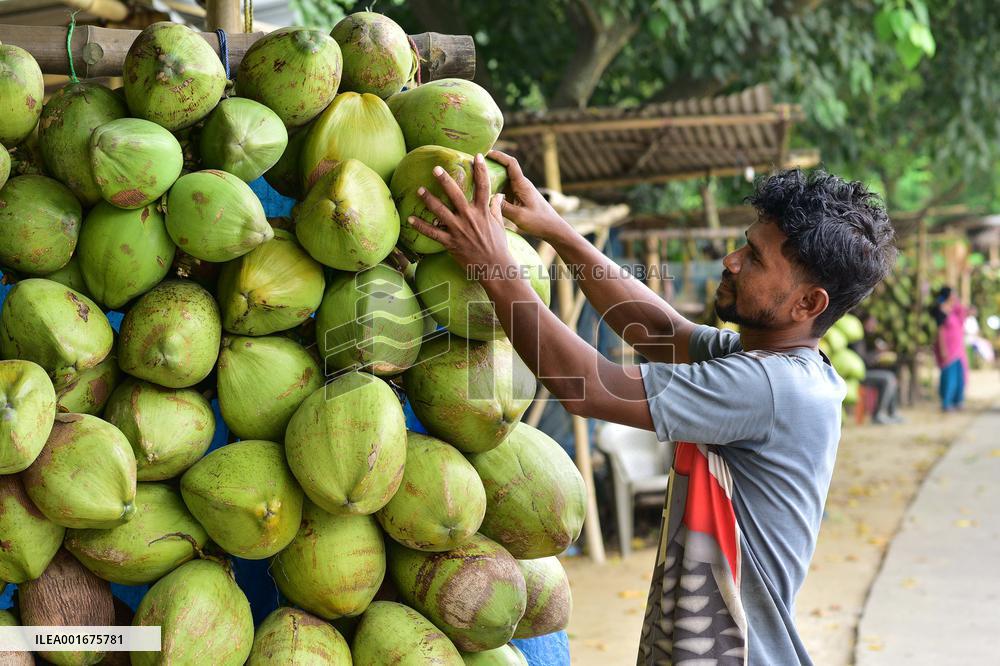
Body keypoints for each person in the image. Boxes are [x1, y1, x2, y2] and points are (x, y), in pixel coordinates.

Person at [408, 157, 896, 665]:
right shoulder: (771, 363)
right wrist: (559, 231)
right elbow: (657, 330)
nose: (731, 260)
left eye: (754, 257)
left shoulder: (770, 388)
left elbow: (586, 387)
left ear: (807, 303)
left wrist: (496, 266)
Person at [930, 286, 969, 411]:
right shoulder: (940, 311)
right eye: (952, 294)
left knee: (959, 377)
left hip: (958, 349)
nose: (954, 297)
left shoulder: (954, 310)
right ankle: (946, 402)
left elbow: (964, 312)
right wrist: (943, 349)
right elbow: (940, 331)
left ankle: (958, 401)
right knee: (949, 377)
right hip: (947, 349)